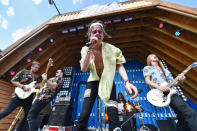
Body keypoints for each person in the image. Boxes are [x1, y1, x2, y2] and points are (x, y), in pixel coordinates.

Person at [73, 20, 138, 131]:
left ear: (103, 35)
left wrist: (127, 82)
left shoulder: (113, 49)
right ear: (90, 35)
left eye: (100, 31)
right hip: (92, 81)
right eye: (94, 32)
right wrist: (89, 49)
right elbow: (83, 68)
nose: (98, 33)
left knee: (113, 113)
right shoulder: (85, 49)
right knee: (84, 114)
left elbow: (120, 65)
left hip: (108, 82)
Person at [143, 54, 197, 131]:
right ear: (149, 59)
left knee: (181, 116)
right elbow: (147, 81)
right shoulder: (148, 68)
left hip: (173, 92)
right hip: (162, 93)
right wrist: (159, 86)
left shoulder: (165, 70)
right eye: (152, 56)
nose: (155, 56)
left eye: (156, 55)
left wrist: (181, 80)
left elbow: (174, 83)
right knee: (190, 113)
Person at [0, 61, 40, 131]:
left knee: (28, 116)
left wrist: (45, 80)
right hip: (18, 96)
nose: (37, 69)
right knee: (7, 111)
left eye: (38, 68)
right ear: (31, 67)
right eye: (35, 67)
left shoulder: (36, 77)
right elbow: (13, 80)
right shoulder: (24, 72)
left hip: (28, 98)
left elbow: (38, 86)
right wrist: (23, 87)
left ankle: (20, 129)